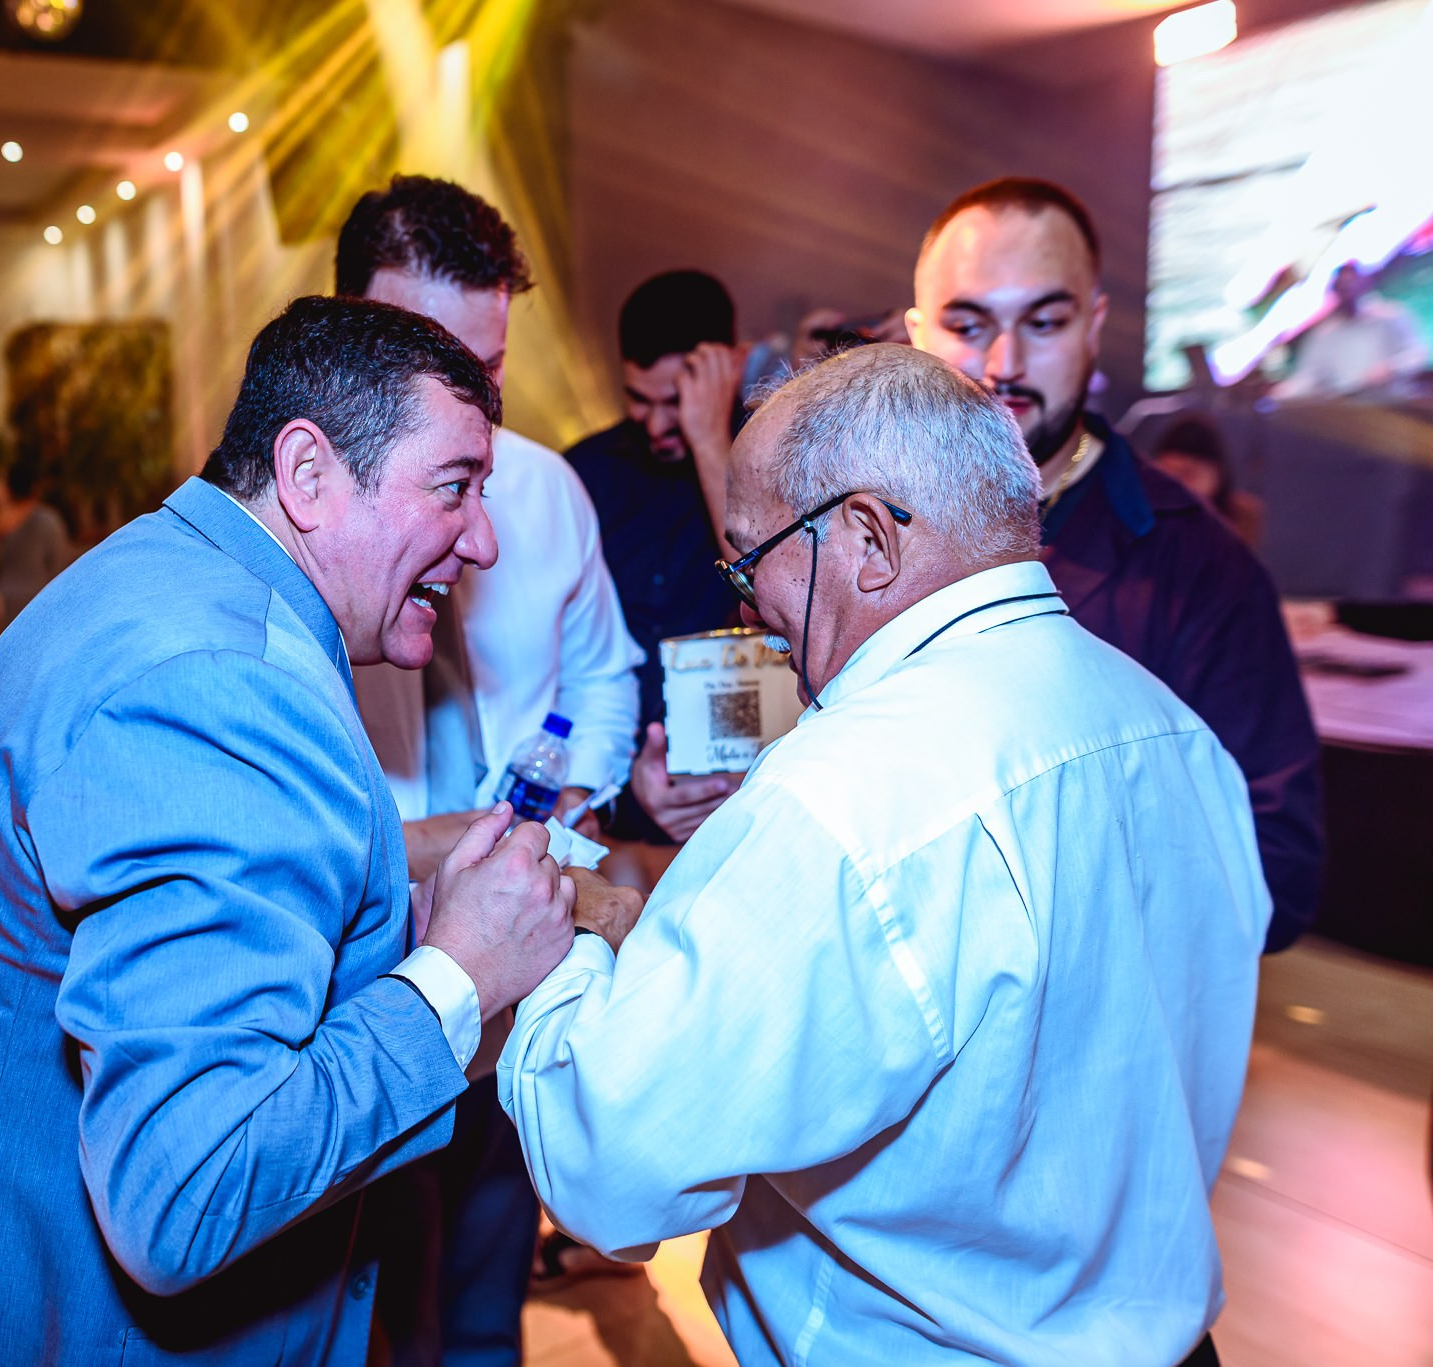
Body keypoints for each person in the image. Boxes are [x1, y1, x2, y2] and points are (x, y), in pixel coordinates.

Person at [0, 296, 584, 1366]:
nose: (482, 538)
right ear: (307, 474)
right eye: (455, 487)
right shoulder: (230, 689)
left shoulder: (167, 570)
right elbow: (187, 1185)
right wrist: (455, 979)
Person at [501, 345, 1269, 1366]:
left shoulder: (838, 797)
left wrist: (574, 940)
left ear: (865, 538)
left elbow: (607, 1166)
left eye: (747, 556)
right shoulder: (1176, 733)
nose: (743, 602)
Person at [335, 175, 643, 1366]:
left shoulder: (548, 494)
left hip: (515, 970)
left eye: (489, 366)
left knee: (479, 1305)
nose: (471, 403)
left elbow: (602, 675)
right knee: (360, 1313)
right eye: (432, 360)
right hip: (353, 983)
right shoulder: (301, 509)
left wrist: (558, 816)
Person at [906, 176, 1322, 952]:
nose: (1004, 362)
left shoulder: (1199, 566)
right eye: (968, 324)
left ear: (1094, 324)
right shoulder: (857, 525)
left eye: (1045, 321)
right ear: (916, 330)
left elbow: (1278, 869)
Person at [563, 270, 746, 844]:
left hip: (736, 789)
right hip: (610, 792)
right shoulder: (586, 473)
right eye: (639, 399)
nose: (658, 423)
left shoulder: (772, 461)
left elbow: (760, 577)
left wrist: (710, 437)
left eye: (677, 402)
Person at [1274, 261, 1430, 401]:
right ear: (1335, 291)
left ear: (1364, 284)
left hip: (1391, 405)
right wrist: (1284, 392)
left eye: (1351, 285)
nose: (1348, 292)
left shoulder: (1389, 317)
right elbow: (1309, 376)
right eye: (1342, 287)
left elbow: (1416, 355)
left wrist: (1391, 368)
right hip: (1347, 411)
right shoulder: (1325, 332)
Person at [1148, 415, 1264, 548]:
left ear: (1217, 474)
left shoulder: (1240, 515)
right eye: (1166, 474)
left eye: (1188, 474)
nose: (1177, 484)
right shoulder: (1145, 511)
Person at [0, 457, 75, 623]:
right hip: (37, 601)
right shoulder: (49, 520)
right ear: (36, 487)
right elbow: (59, 564)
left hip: (2, 602)